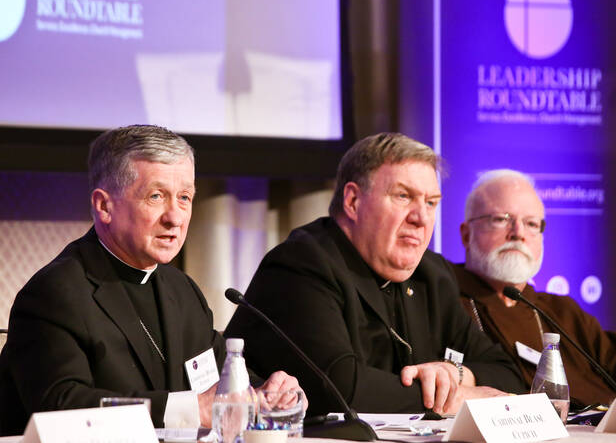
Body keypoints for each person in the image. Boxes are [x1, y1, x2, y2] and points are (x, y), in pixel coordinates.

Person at [0, 125, 301, 436]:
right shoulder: (55, 294)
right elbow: (61, 404)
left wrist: (266, 394)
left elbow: (218, 384)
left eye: (184, 197)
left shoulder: (182, 292)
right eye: (156, 196)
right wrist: (190, 410)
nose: (175, 217)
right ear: (104, 206)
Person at [225, 133, 525, 416]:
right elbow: (341, 389)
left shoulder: (431, 275)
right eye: (403, 196)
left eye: (431, 202)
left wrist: (455, 374)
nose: (421, 218)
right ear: (353, 202)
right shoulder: (301, 265)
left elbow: (508, 375)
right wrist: (455, 398)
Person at [453, 169, 616, 407]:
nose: (518, 233)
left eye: (531, 224)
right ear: (466, 235)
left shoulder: (562, 312)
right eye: (501, 219)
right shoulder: (445, 300)